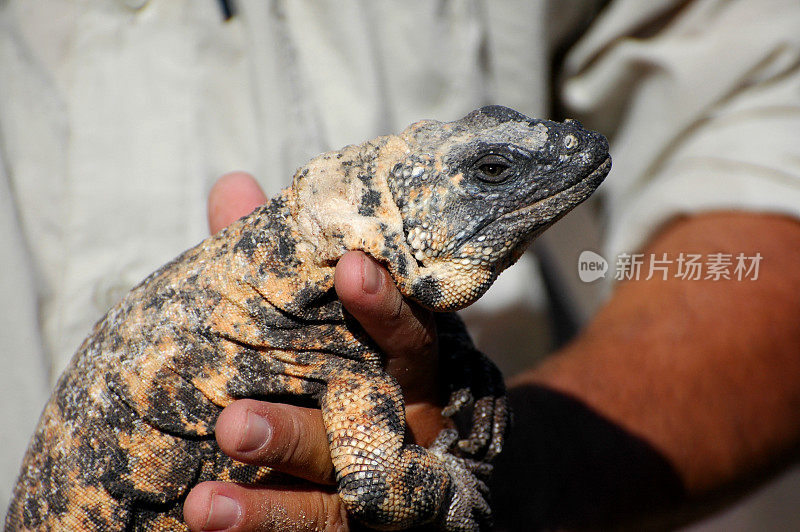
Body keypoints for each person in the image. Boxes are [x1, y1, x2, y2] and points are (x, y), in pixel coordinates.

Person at [2, 0, 799, 530]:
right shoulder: (326, 344)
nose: (548, 161)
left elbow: (761, 124)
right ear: (399, 227)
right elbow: (384, 482)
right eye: (489, 174)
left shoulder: (328, 318)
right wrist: (451, 489)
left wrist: (534, 476)